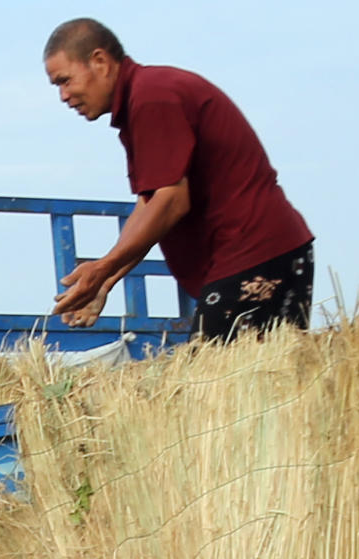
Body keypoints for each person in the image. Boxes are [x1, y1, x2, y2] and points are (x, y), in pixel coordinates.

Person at [43, 18, 314, 340]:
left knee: (214, 382)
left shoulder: (152, 97)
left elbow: (171, 202)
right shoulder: (141, 99)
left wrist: (104, 267)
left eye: (65, 80)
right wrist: (105, 281)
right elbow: (151, 203)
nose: (63, 95)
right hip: (265, 254)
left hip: (254, 255)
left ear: (100, 62)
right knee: (259, 381)